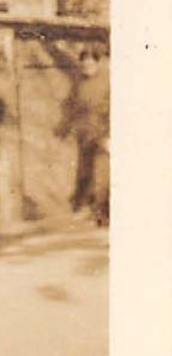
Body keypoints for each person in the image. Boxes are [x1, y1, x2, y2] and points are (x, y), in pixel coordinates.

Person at [58, 44, 110, 226]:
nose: (87, 67)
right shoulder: (79, 84)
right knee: (85, 174)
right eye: (84, 64)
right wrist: (62, 129)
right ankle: (93, 210)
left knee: (103, 177)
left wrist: (109, 135)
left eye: (90, 64)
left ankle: (103, 214)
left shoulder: (107, 83)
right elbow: (71, 108)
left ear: (97, 63)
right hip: (85, 136)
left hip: (104, 137)